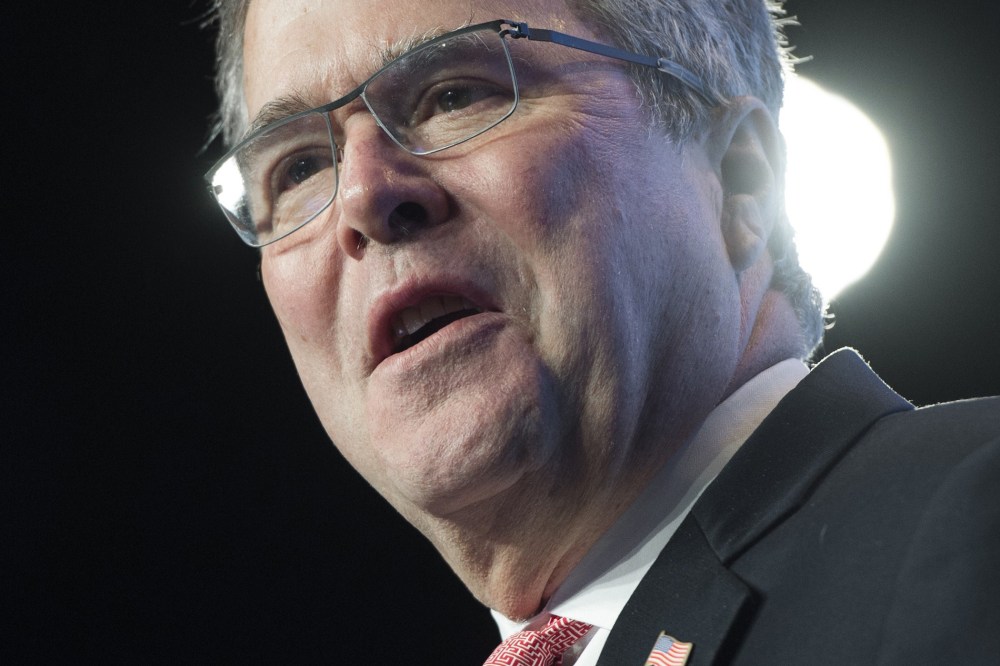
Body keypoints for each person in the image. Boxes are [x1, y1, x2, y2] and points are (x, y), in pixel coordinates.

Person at [202, 0, 1000, 663]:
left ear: (741, 179)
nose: (363, 198)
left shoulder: (973, 519)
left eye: (456, 96)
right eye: (300, 166)